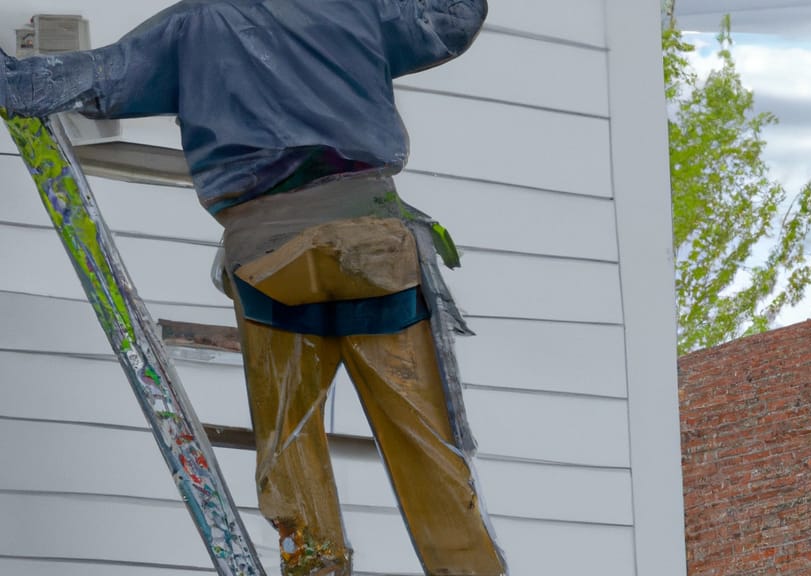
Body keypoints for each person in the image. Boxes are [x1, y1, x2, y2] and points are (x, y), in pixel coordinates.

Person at [1, 2, 506, 575]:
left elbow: (68, 81)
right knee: (427, 450)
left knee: (289, 447)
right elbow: (451, 18)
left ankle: (314, 564)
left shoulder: (193, 23)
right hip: (373, 247)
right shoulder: (360, 7)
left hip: (269, 263)